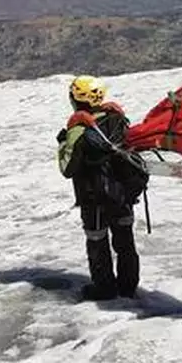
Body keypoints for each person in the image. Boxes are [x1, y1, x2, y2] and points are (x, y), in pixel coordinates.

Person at [55, 75, 141, 301]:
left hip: (94, 198)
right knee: (125, 242)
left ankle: (104, 289)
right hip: (122, 195)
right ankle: (128, 287)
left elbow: (68, 168)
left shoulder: (78, 129)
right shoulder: (118, 118)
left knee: (97, 242)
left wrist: (63, 141)